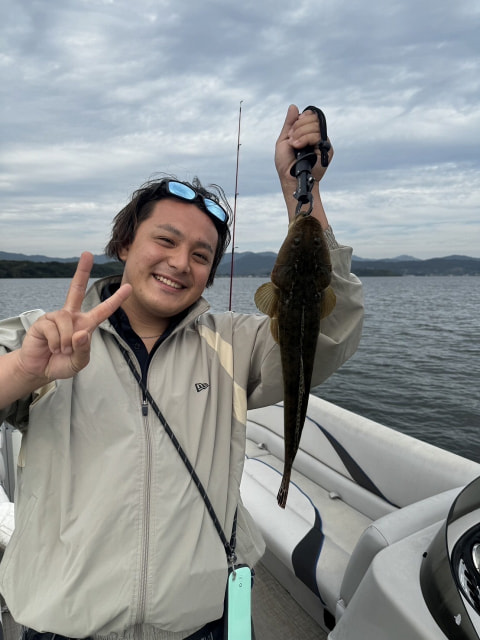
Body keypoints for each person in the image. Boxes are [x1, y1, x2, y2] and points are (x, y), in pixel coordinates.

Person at [0, 105, 364, 640]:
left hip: (196, 625)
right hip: (62, 625)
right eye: (165, 241)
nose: (179, 263)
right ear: (125, 243)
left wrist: (301, 192)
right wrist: (25, 371)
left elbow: (331, 331)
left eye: (201, 254)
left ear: (211, 274)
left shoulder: (236, 344)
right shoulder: (42, 335)